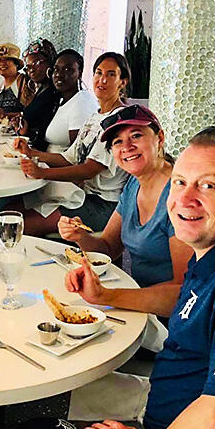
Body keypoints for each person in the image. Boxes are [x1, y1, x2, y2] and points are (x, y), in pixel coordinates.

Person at [0, 127, 215, 429]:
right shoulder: (208, 260)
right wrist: (105, 296)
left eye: (209, 186)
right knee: (72, 387)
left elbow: (213, 418)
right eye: (182, 182)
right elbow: (181, 305)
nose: (186, 198)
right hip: (167, 407)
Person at [58, 104, 192, 290]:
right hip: (139, 296)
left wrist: (110, 297)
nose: (126, 147)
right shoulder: (133, 185)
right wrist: (80, 236)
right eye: (117, 142)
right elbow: (108, 248)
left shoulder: (181, 197)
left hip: (171, 314)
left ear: (159, 138)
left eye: (136, 136)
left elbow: (182, 289)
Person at [10, 52, 131, 236]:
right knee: (10, 210)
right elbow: (69, 158)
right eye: (98, 73)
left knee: (16, 225)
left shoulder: (118, 121)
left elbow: (89, 169)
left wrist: (42, 172)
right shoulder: (95, 117)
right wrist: (32, 152)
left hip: (101, 205)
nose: (102, 80)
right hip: (79, 194)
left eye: (111, 74)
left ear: (123, 82)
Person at [44, 49, 98, 153]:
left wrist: (35, 155)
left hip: (57, 167)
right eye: (56, 69)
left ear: (80, 73)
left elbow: (76, 157)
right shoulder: (63, 100)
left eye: (67, 70)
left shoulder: (81, 103)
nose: (59, 75)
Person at [16, 38, 59, 151]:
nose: (31, 70)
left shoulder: (55, 93)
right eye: (28, 66)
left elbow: (44, 133)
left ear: (50, 61)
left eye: (36, 63)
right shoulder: (42, 89)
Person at [0, 43, 34, 119]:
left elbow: (32, 114)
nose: (2, 63)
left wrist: (4, 115)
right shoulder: (2, 85)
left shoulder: (24, 82)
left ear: (16, 64)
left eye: (7, 59)